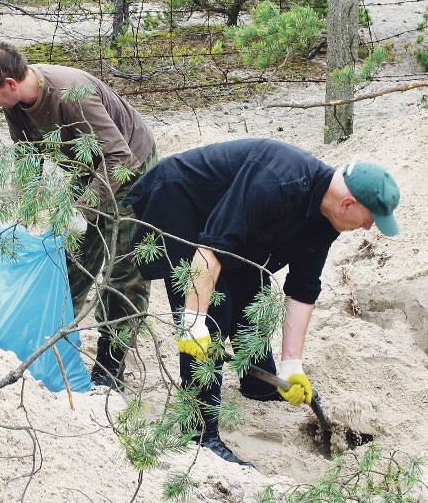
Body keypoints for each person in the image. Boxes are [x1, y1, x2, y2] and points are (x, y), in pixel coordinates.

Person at [123, 138, 400, 467]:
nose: (369, 227)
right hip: (180, 206)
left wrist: (291, 366)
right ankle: (198, 431)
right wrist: (192, 321)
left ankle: (259, 383)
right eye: (370, 218)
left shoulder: (326, 219)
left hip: (229, 233)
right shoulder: (279, 181)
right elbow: (212, 247)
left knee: (253, 292)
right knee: (215, 313)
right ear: (347, 204)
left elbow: (303, 287)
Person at [0, 42, 157, 388]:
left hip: (134, 171)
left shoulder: (70, 93)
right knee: (67, 263)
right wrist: (18, 213)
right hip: (90, 170)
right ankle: (55, 351)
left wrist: (82, 210)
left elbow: (119, 158)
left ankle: (110, 369)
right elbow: (28, 158)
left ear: (10, 83)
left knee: (123, 274)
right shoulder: (15, 104)